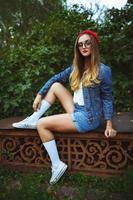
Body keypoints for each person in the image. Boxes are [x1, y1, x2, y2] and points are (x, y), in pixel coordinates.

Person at [12, 29, 117, 184]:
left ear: (94, 45)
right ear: (77, 48)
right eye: (80, 44)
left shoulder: (103, 70)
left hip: (88, 117)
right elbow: (56, 78)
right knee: (55, 85)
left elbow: (108, 98)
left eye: (87, 43)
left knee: (42, 125)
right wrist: (39, 94)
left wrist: (109, 124)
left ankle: (57, 165)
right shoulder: (75, 68)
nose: (84, 46)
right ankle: (33, 118)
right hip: (77, 109)